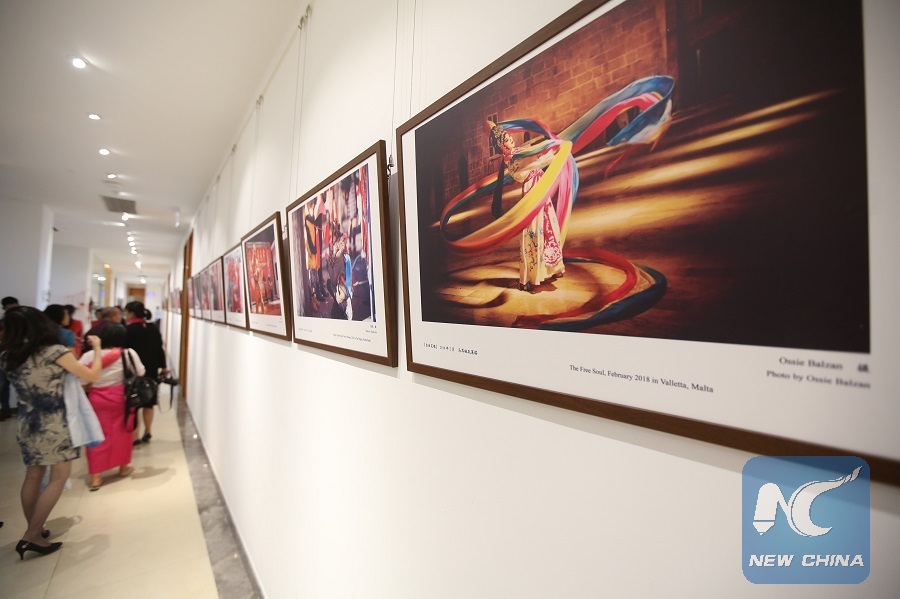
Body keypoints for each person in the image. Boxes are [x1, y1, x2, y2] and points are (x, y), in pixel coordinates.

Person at [0, 306, 103, 559]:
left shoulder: (8, 355)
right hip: (54, 423)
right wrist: (98, 348)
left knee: (33, 475)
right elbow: (92, 375)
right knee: (58, 477)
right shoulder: (55, 352)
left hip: (27, 421)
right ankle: (32, 535)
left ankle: (36, 528)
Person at [78, 324, 142, 490]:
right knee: (123, 433)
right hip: (121, 398)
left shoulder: (89, 355)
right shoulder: (128, 353)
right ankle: (123, 468)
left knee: (97, 435)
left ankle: (96, 477)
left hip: (96, 399)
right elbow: (141, 372)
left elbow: (81, 379)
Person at [124, 301, 166, 445]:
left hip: (134, 371)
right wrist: (163, 366)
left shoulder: (128, 330)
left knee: (135, 403)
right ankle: (148, 431)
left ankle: (135, 435)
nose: (126, 315)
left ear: (132, 313)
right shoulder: (153, 328)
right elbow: (160, 348)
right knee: (149, 402)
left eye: (127, 312)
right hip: (151, 370)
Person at [1, 296, 20, 421]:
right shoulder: (3, 322)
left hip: (21, 356)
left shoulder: (25, 321)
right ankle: (5, 410)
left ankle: (20, 409)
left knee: (22, 385)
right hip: (5, 356)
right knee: (2, 385)